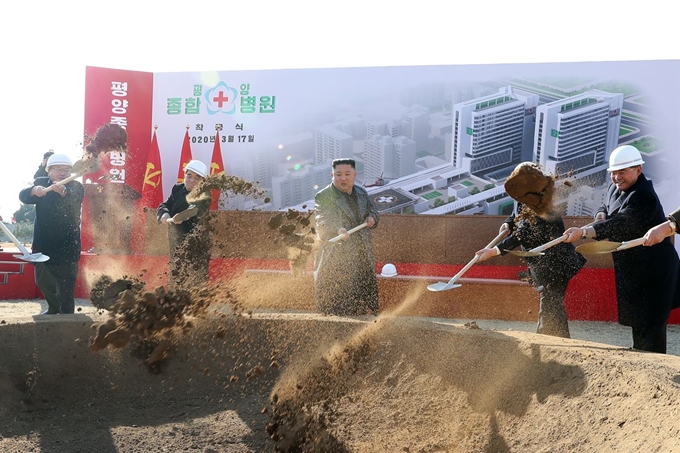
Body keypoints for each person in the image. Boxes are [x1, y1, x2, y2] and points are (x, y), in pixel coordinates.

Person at [563, 145, 680, 353]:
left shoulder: (644, 196)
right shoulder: (616, 187)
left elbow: (619, 223)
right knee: (638, 318)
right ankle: (640, 355)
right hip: (633, 268)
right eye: (614, 173)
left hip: (654, 271)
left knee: (650, 322)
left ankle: (652, 365)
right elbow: (606, 208)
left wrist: (583, 232)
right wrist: (599, 215)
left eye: (623, 172)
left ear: (638, 170)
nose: (617, 177)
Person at [475, 162, 586, 338]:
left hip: (556, 263)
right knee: (551, 305)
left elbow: (523, 233)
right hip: (541, 262)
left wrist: (494, 251)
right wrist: (508, 223)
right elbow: (517, 213)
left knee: (550, 306)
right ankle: (556, 344)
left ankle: (553, 345)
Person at [19, 153, 84, 315]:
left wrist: (62, 191)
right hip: (43, 245)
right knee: (41, 280)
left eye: (66, 169)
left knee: (65, 286)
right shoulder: (41, 183)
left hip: (67, 245)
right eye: (58, 169)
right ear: (48, 170)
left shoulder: (76, 186)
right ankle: (53, 308)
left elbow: (74, 198)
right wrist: (34, 191)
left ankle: (67, 316)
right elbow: (23, 195)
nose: (63, 172)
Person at [313, 158, 379, 316]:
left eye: (347, 174)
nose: (343, 178)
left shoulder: (361, 192)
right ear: (332, 175)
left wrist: (372, 218)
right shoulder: (323, 196)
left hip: (361, 252)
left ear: (355, 175)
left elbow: (373, 210)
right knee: (338, 301)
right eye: (339, 174)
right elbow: (323, 218)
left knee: (362, 297)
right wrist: (337, 229)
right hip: (337, 255)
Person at [157, 159, 212, 287]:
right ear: (185, 175)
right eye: (189, 175)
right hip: (175, 240)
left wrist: (182, 217)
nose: (192, 180)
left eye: (197, 178)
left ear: (203, 181)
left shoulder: (205, 194)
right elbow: (165, 205)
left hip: (195, 244)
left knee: (196, 280)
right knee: (176, 276)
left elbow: (194, 209)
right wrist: (164, 215)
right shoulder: (177, 189)